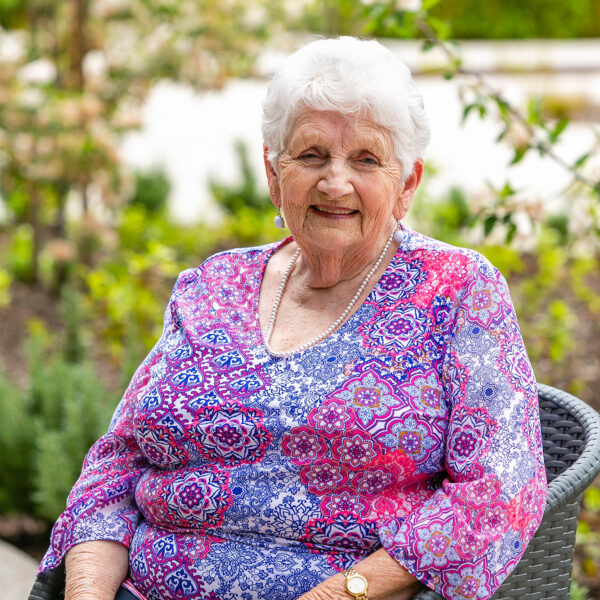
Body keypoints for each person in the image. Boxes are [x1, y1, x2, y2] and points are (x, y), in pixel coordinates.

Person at [37, 37, 547, 600]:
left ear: (407, 184)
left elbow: (498, 495)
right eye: (310, 156)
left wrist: (340, 593)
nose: (335, 182)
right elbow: (117, 464)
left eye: (366, 159)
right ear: (272, 173)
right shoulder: (212, 285)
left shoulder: (456, 290)